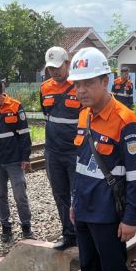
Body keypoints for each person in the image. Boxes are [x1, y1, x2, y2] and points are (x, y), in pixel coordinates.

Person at [66, 47, 136, 271]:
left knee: (113, 270)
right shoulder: (84, 116)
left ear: (104, 81)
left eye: (87, 83)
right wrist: (74, 203)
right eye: (77, 83)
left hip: (108, 211)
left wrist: (132, 217)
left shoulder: (126, 121)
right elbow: (81, 165)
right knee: (89, 265)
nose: (81, 90)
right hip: (85, 207)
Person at [0, 76, 33, 243]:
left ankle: (26, 227)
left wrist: (25, 157)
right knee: (0, 196)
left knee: (20, 195)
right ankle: (6, 228)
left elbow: (24, 135)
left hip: (14, 161)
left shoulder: (16, 106)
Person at [41, 46, 81, 250]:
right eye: (50, 69)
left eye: (57, 67)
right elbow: (46, 117)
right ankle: (68, 234)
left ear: (67, 63)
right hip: (53, 152)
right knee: (60, 195)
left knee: (79, 195)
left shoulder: (80, 86)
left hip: (75, 152)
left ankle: (83, 236)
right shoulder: (45, 88)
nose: (54, 72)